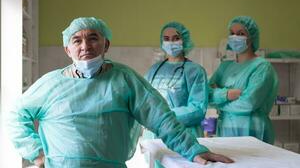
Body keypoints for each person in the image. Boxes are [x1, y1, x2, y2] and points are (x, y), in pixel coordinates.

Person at [7, 17, 233, 168]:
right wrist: (37, 153)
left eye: (93, 38)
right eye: (77, 40)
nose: (85, 46)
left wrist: (192, 149)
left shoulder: (125, 79)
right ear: (68, 49)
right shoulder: (50, 84)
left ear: (106, 44)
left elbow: (161, 118)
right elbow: (16, 115)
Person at [209, 16, 278, 144]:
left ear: (251, 38)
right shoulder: (225, 66)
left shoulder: (262, 67)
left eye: (241, 33)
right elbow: (206, 95)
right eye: (232, 33)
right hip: (225, 130)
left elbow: (248, 103)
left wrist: (219, 100)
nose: (235, 37)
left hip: (253, 131)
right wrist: (228, 94)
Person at [144, 21, 208, 138]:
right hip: (154, 134)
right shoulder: (154, 70)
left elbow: (197, 110)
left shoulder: (195, 71)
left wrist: (164, 116)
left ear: (184, 41)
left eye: (176, 38)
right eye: (166, 39)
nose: (171, 42)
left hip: (183, 135)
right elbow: (143, 100)